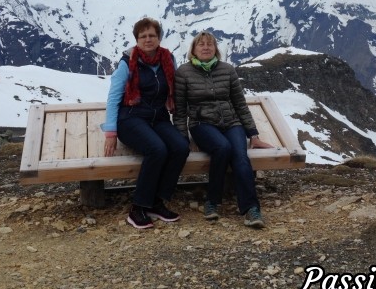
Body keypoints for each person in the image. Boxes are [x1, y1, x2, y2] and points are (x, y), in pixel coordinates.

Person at [174, 31, 273, 228]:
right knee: (223, 148)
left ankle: (251, 209)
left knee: (240, 155)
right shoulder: (183, 73)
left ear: (216, 49)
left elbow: (239, 103)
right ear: (193, 50)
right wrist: (182, 137)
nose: (205, 47)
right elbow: (179, 109)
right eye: (201, 44)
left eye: (210, 44)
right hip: (202, 124)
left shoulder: (227, 70)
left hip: (231, 122)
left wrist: (252, 134)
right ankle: (212, 201)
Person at [102, 17, 190, 229]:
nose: (148, 39)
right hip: (130, 118)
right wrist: (111, 133)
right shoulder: (127, 63)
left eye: (152, 35)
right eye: (143, 36)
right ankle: (138, 207)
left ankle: (157, 202)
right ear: (137, 40)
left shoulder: (168, 59)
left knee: (180, 147)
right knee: (157, 149)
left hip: (157, 117)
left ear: (159, 38)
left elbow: (174, 90)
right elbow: (114, 98)